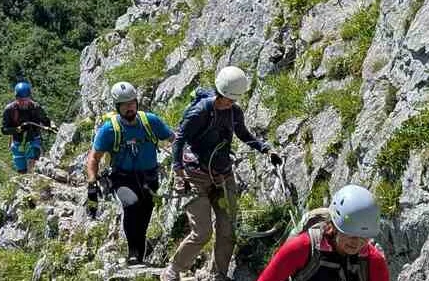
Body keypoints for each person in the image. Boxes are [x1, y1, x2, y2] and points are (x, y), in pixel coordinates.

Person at [167, 66, 283, 281]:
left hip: (222, 176)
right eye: (226, 99)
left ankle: (218, 274)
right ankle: (174, 269)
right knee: (202, 232)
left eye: (232, 101)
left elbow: (243, 134)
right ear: (219, 93)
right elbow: (179, 140)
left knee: (227, 229)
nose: (229, 104)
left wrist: (265, 149)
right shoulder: (199, 112)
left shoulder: (234, 111)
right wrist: (178, 173)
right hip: (195, 177)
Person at [87, 81, 174, 266]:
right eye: (125, 105)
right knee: (131, 205)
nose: (130, 108)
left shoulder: (150, 121)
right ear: (117, 107)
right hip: (122, 178)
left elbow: (173, 139)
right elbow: (94, 158)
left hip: (149, 177)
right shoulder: (110, 129)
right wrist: (92, 184)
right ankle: (133, 253)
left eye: (132, 103)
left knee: (144, 216)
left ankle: (138, 255)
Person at [257, 185, 390, 281]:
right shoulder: (302, 248)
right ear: (334, 226)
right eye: (350, 234)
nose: (356, 243)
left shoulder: (373, 261)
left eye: (364, 238)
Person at [1, 81, 53, 173]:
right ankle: (26, 183)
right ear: (16, 98)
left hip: (33, 139)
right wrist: (16, 129)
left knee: (32, 163)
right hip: (18, 142)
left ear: (29, 98)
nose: (24, 103)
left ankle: (34, 180)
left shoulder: (35, 108)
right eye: (21, 100)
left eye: (26, 100)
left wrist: (51, 126)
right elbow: (4, 129)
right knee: (21, 170)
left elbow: (46, 121)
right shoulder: (10, 110)